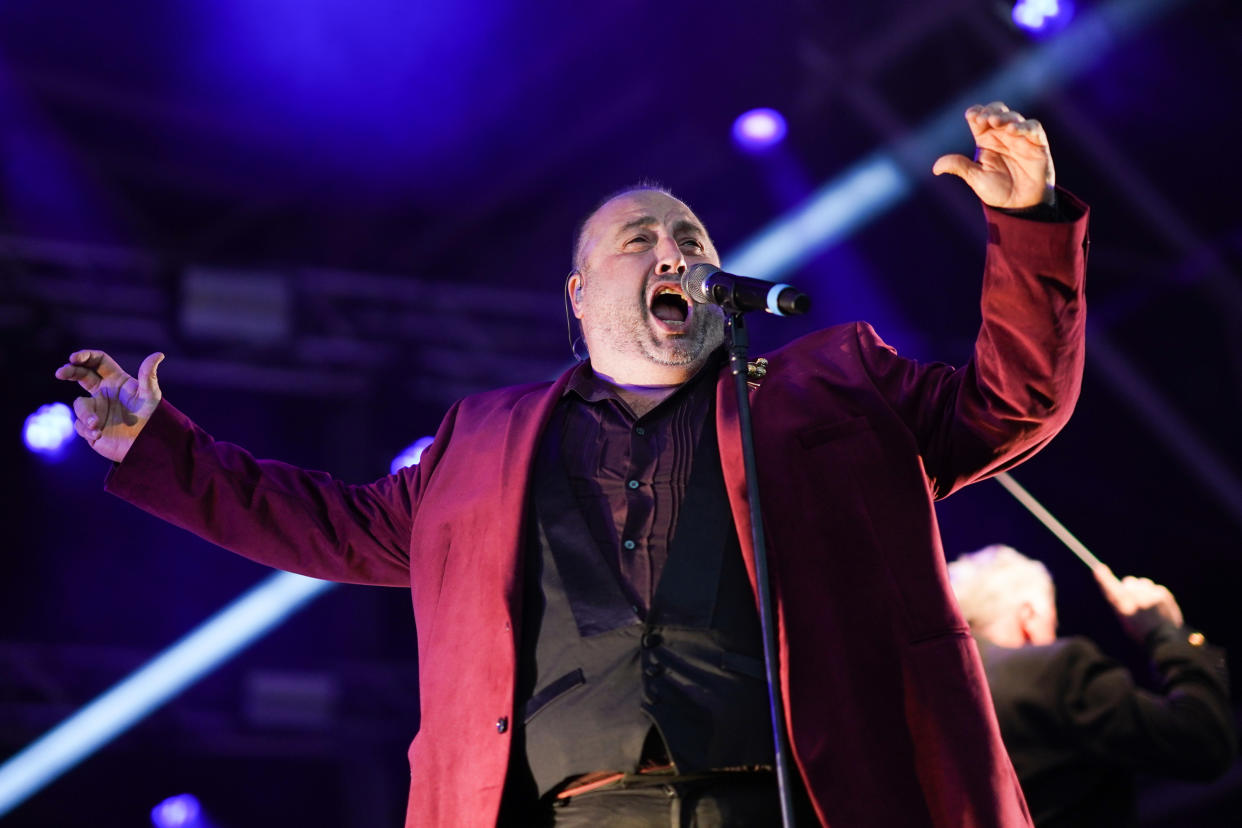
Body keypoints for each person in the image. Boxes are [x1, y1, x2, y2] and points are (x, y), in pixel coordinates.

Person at [56, 102, 1089, 827]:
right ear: (581, 294)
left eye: (691, 235)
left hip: (792, 802)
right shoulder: (483, 443)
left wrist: (1030, 225)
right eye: (641, 239)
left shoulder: (837, 388)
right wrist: (159, 447)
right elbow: (325, 525)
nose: (675, 250)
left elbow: (1013, 404)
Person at [947, 544, 1235, 826]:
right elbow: (1202, 741)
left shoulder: (938, 699)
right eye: (1053, 623)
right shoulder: (1056, 669)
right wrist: (1166, 633)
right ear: (1029, 616)